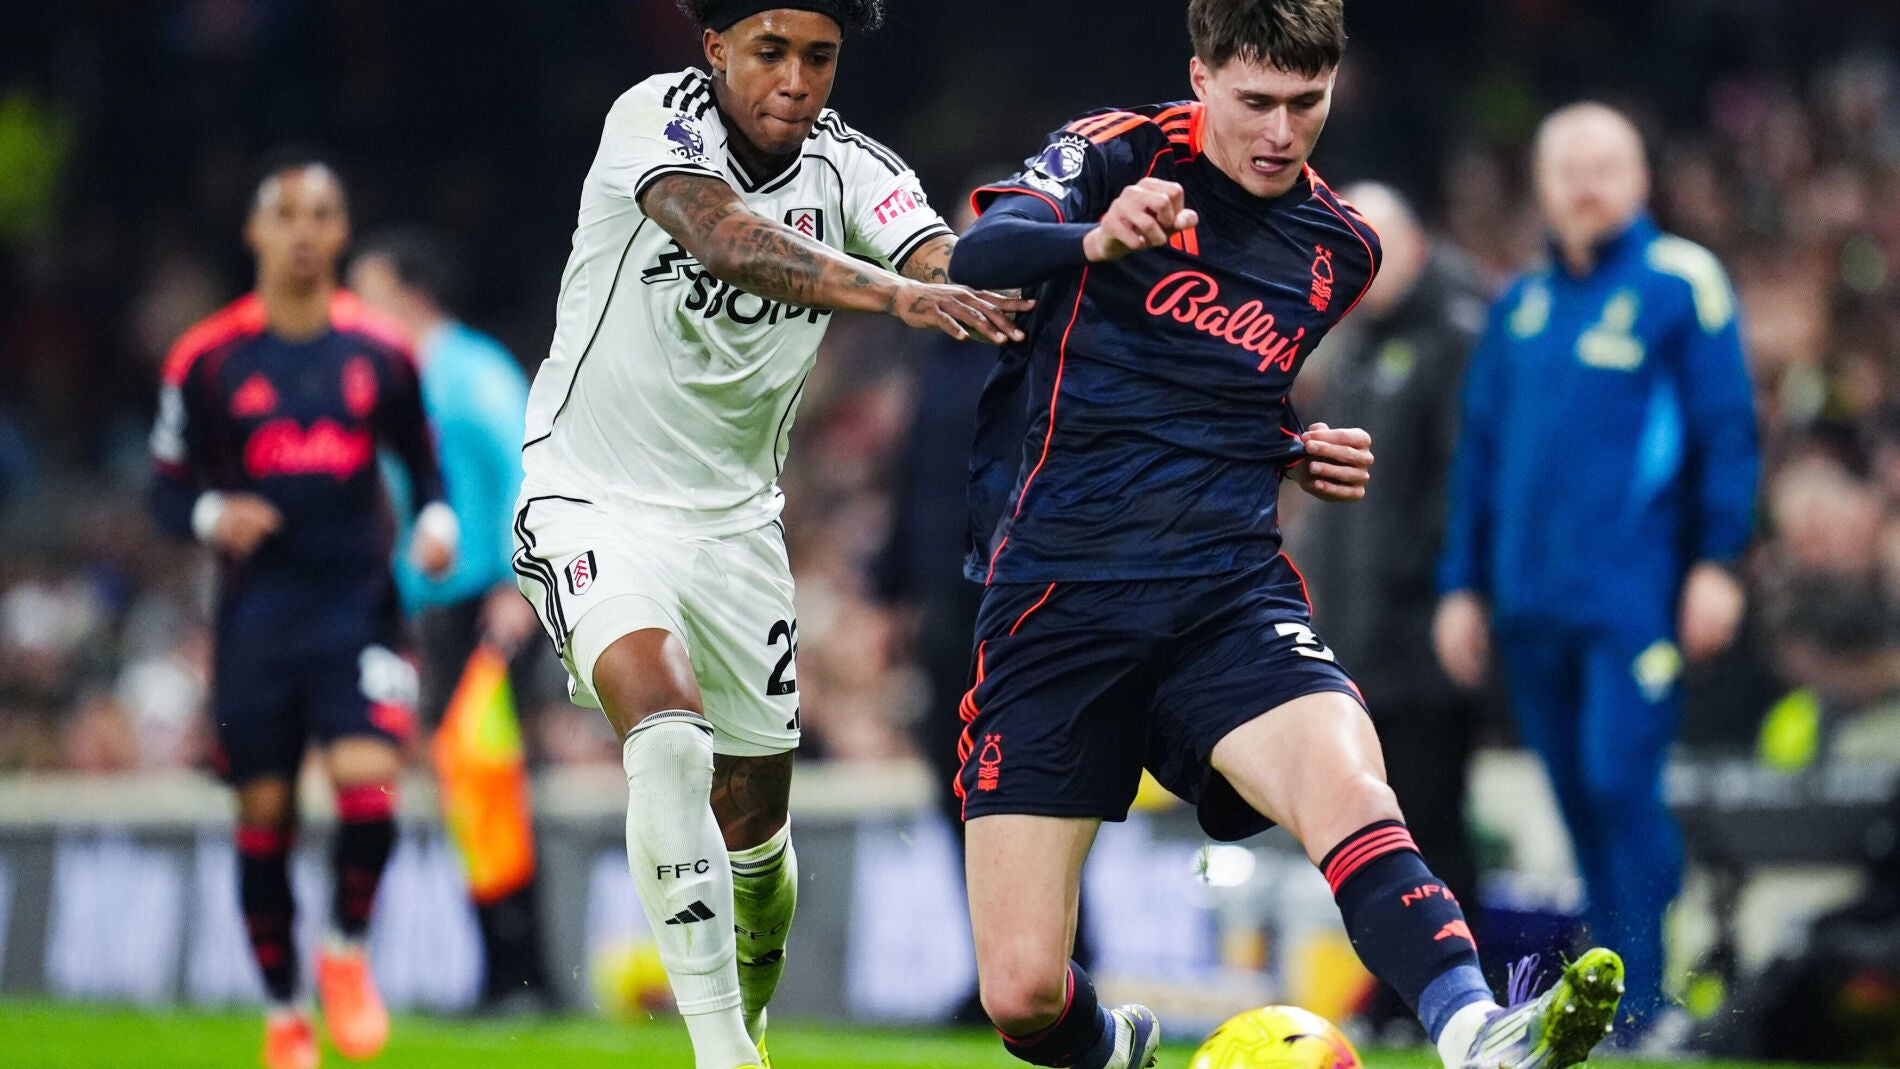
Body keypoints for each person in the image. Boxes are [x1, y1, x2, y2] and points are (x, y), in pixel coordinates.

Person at [946, 3, 1628, 1068]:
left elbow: (1222, 382)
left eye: (1305, 104)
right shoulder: (1117, 153)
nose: (1279, 132)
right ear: (1201, 77)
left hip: (1223, 594)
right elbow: (978, 253)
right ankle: (1116, 1049)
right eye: (1254, 101)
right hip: (1059, 597)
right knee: (1024, 992)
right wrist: (1096, 235)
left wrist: (1289, 445)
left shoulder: (1340, 249)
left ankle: (1475, 1028)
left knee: (1350, 788)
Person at [508, 3, 1029, 1067]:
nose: (795, 78)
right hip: (590, 496)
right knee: (667, 737)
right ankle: (723, 1053)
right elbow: (723, 236)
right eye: (770, 52)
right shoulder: (654, 120)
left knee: (756, 838)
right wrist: (892, 292)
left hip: (738, 530)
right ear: (716, 50)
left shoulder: (855, 169)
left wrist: (1032, 267)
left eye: (818, 57)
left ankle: (745, 1023)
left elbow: (946, 260)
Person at [1433, 102, 1760, 1040]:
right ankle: (1613, 1002)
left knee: (1620, 781)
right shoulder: (1520, 306)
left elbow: (1727, 431)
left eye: (1604, 164)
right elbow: (1480, 458)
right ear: (1540, 184)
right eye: (1567, 166)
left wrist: (1718, 561)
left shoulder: (1679, 283)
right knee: (1578, 798)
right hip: (1529, 599)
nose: (1585, 183)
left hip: (1634, 597)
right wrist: (1462, 586)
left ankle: (1650, 1001)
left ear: (1640, 177)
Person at [149, 156, 458, 1069]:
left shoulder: (382, 352)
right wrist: (213, 513)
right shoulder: (207, 359)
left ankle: (346, 951)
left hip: (357, 604)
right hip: (256, 617)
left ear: (342, 231)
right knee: (266, 811)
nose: (303, 231)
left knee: (370, 784)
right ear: (255, 232)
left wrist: (436, 522)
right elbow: (165, 491)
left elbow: (426, 464)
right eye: (286, 213)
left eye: (321, 213)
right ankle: (285, 1010)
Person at [1288, 182, 1492, 1036]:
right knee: (1382, 809)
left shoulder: (1456, 335)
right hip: (1359, 628)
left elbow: (1465, 482)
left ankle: (1448, 985)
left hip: (1422, 628)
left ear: (1411, 245)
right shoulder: (1357, 342)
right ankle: (1405, 984)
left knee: (1429, 815)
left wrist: (1448, 589)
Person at [347, 229, 554, 1012]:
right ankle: (503, 972)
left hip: (486, 604)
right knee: (467, 782)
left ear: (409, 294)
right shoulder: (404, 379)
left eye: (367, 291)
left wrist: (517, 582)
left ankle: (522, 972)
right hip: (437, 609)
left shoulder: (472, 374)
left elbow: (528, 471)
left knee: (487, 773)